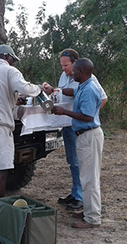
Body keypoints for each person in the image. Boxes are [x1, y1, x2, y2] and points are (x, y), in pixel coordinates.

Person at [0, 44, 51, 228]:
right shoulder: (10, 71)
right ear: (8, 58)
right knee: (0, 174)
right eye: (13, 59)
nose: (13, 62)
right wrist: (40, 89)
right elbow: (25, 88)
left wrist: (11, 98)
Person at [49, 49, 107, 212]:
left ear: (77, 66)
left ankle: (85, 204)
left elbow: (101, 101)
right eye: (62, 66)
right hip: (72, 127)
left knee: (87, 172)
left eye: (67, 66)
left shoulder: (89, 83)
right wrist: (52, 91)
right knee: (74, 163)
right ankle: (76, 194)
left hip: (85, 129)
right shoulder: (74, 81)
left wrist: (89, 114)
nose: (65, 70)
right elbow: (69, 92)